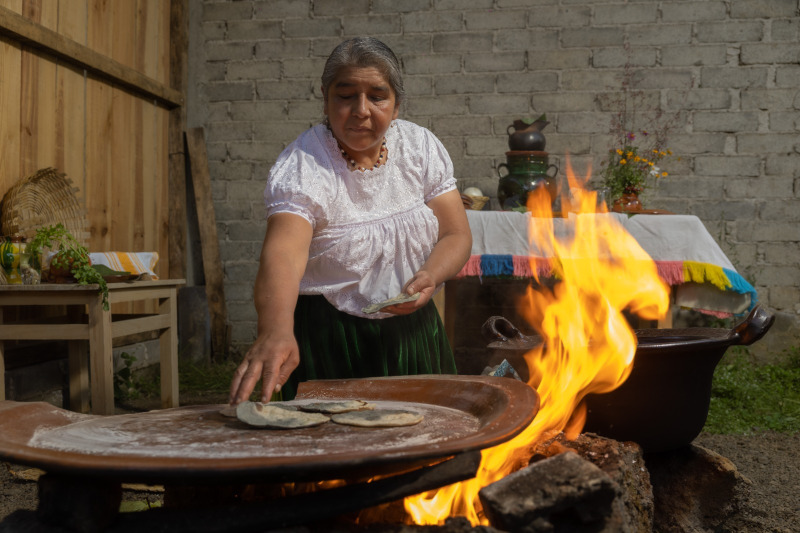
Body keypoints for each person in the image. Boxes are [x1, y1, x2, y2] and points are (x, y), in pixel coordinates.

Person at [229, 37, 472, 405]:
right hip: (331, 338)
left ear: (396, 104)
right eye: (345, 96)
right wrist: (276, 328)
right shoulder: (303, 167)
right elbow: (283, 253)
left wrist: (431, 277)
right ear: (326, 98)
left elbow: (456, 234)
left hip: (413, 330)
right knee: (335, 446)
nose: (361, 110)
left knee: (428, 436)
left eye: (377, 96)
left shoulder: (420, 148)